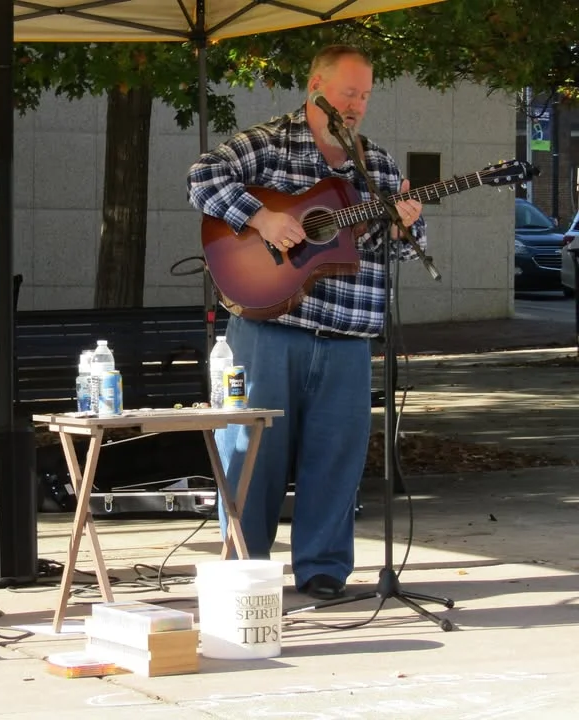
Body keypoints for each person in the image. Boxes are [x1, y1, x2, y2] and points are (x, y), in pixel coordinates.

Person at [186, 45, 427, 600]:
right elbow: (202, 177)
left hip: (346, 336)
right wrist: (264, 217)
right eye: (349, 92)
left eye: (365, 94)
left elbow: (406, 251)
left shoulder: (379, 166)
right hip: (267, 330)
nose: (358, 104)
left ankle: (323, 569)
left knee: (336, 457)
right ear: (316, 84)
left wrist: (403, 230)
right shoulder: (269, 142)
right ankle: (245, 572)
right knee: (251, 455)